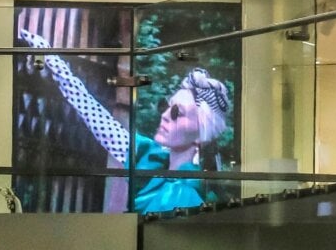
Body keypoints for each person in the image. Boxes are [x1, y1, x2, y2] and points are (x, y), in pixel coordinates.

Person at [18, 29, 232, 214]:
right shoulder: (149, 156)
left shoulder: (188, 196)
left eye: (178, 112)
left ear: (201, 137)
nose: (165, 114)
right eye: (165, 105)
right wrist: (51, 58)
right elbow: (94, 114)